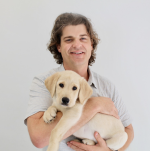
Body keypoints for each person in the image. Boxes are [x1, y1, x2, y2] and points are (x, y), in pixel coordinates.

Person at [24, 13, 134, 151]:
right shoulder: (44, 81)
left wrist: (107, 150)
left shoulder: (107, 86)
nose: (77, 45)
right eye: (69, 40)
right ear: (58, 46)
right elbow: (38, 138)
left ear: (91, 45)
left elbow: (128, 129)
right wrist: (95, 104)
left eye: (83, 38)